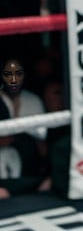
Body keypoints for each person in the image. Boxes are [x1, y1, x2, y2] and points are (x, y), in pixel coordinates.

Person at [0, 57, 48, 198]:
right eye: (8, 74)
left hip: (29, 169)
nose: (13, 79)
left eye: (18, 73)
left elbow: (43, 146)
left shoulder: (33, 100)